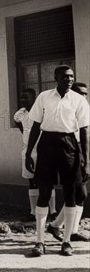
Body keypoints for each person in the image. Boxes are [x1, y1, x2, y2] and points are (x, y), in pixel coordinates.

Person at [26, 66, 89, 257]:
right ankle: (39, 242)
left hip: (70, 144)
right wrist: (29, 152)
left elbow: (85, 131)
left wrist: (86, 160)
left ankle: (67, 241)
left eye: (71, 77)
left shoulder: (79, 100)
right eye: (65, 76)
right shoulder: (44, 97)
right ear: (56, 78)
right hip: (47, 143)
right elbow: (36, 126)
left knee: (70, 194)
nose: (69, 79)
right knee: (44, 191)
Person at [46, 82, 89, 242]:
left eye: (85, 94)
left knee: (81, 194)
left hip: (82, 153)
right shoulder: (66, 110)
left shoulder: (84, 109)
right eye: (80, 93)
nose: (83, 97)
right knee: (78, 193)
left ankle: (69, 229)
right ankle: (59, 227)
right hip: (70, 151)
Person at [14, 89, 56, 221]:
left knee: (48, 181)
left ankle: (53, 211)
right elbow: (22, 129)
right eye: (21, 98)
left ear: (34, 98)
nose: (23, 100)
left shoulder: (43, 111)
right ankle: (33, 213)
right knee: (32, 181)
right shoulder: (19, 114)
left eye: (26, 97)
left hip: (44, 149)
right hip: (29, 151)